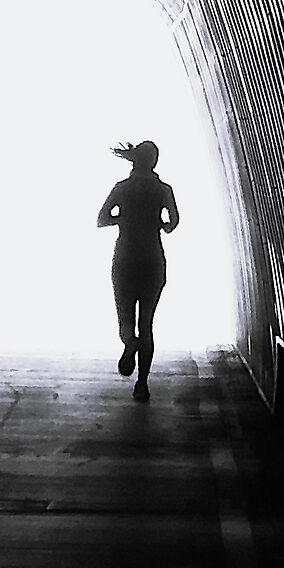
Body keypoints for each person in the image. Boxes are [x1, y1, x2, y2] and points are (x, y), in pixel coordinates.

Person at [96, 140, 179, 399]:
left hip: (125, 259)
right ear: (154, 162)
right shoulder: (163, 189)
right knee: (147, 323)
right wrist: (161, 226)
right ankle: (142, 384)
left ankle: (129, 343)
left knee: (125, 321)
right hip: (153, 260)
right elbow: (173, 222)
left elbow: (101, 219)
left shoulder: (121, 188)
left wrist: (124, 219)